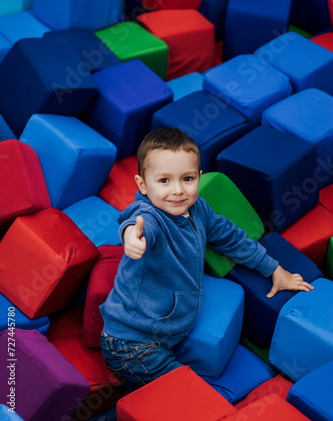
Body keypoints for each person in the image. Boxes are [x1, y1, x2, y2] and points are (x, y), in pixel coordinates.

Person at [99, 127, 313, 397]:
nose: (177, 190)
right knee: (193, 400)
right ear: (142, 185)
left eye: (187, 178)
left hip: (161, 338)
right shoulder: (150, 217)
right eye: (164, 181)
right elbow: (136, 224)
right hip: (132, 343)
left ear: (198, 178)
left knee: (146, 404)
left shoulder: (199, 209)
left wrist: (274, 269)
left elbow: (232, 239)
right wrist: (132, 238)